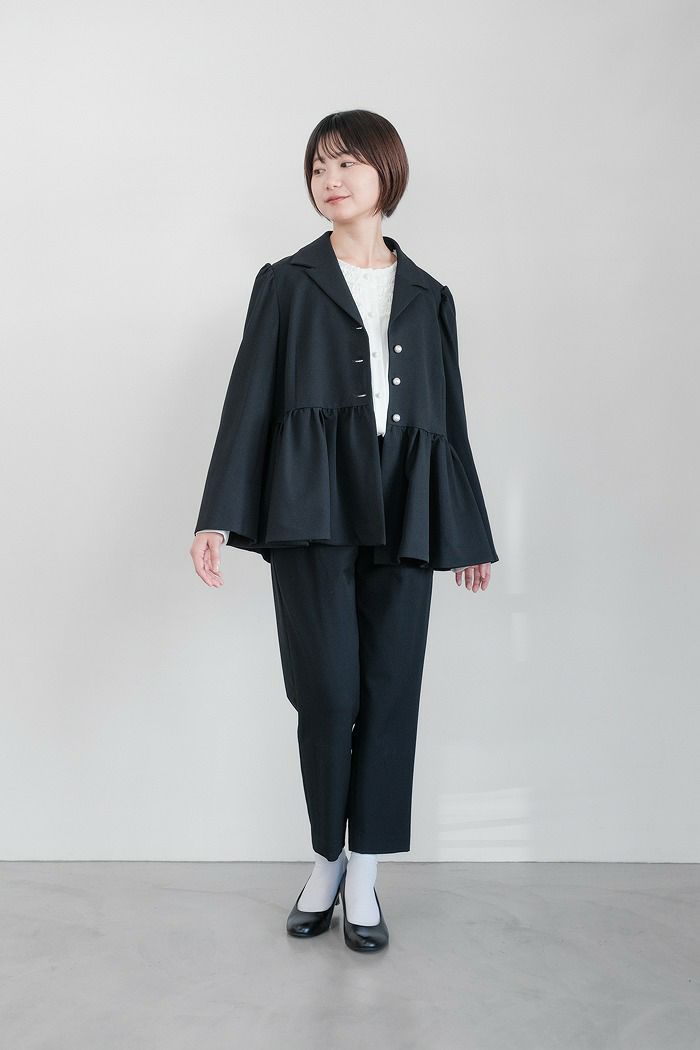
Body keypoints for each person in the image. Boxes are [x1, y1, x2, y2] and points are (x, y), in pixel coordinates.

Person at [189, 110, 498, 953]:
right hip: (312, 504)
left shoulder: (430, 296)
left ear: (386, 174)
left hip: (406, 506)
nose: (330, 179)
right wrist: (218, 513)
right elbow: (249, 398)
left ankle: (364, 875)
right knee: (327, 694)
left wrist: (466, 530)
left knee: (392, 694)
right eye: (319, 166)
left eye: (347, 164)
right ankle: (325, 857)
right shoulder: (286, 282)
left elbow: (450, 417)